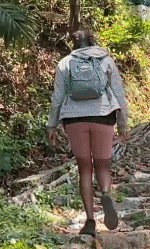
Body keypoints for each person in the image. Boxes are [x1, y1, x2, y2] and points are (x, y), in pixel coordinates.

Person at [47, 29, 130, 237]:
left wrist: (52, 126)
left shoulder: (65, 63)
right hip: (103, 116)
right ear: (93, 41)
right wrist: (123, 123)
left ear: (73, 44)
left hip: (74, 119)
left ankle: (90, 221)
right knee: (103, 164)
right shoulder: (106, 60)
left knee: (84, 169)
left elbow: (57, 96)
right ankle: (105, 193)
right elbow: (118, 93)